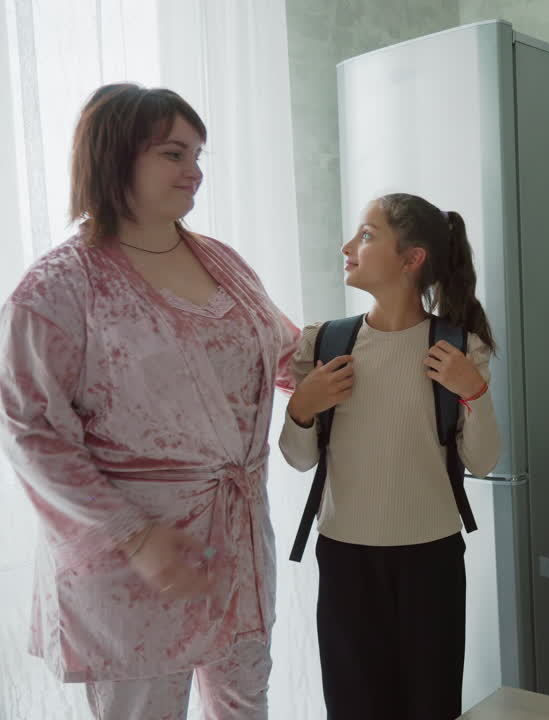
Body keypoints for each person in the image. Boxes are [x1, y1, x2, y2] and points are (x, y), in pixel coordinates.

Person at [0, 83, 299, 719]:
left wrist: (387, 346)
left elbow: (283, 349)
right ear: (116, 157)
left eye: (197, 155)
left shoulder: (223, 262)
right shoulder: (59, 287)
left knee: (246, 707)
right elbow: (31, 431)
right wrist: (134, 536)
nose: (194, 171)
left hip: (237, 548)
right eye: (173, 154)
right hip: (134, 565)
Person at [279, 192, 500, 719]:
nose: (348, 247)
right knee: (354, 707)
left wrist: (475, 393)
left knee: (431, 705)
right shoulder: (325, 343)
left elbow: (483, 461)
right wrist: (302, 407)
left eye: (366, 235)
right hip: (345, 558)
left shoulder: (458, 347)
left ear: (412, 258)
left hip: (432, 558)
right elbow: (299, 459)